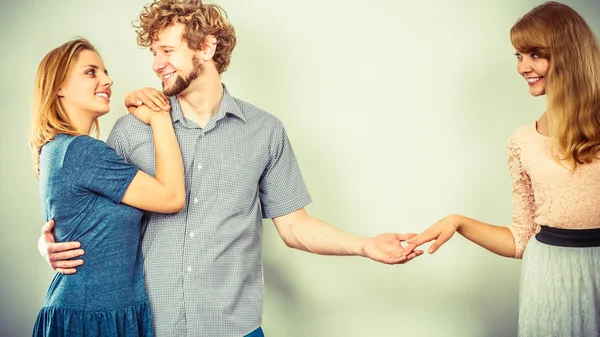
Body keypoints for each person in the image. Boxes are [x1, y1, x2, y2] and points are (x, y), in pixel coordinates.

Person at [36, 1, 423, 336]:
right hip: (149, 327)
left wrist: (364, 245)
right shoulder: (131, 129)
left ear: (206, 47)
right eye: (153, 53)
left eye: (167, 51)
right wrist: (50, 241)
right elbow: (89, 205)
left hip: (233, 329)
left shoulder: (264, 131)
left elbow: (295, 227)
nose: (156, 64)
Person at [403, 2, 600, 336]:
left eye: (534, 54)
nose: (523, 67)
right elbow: (522, 239)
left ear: (569, 54)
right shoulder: (522, 142)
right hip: (549, 281)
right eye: (518, 56)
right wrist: (457, 222)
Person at [30, 38, 185, 336]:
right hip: (90, 317)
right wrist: (159, 117)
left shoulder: (59, 149)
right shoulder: (81, 151)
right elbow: (172, 196)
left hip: (104, 311)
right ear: (59, 86)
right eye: (91, 72)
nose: (107, 79)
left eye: (105, 71)